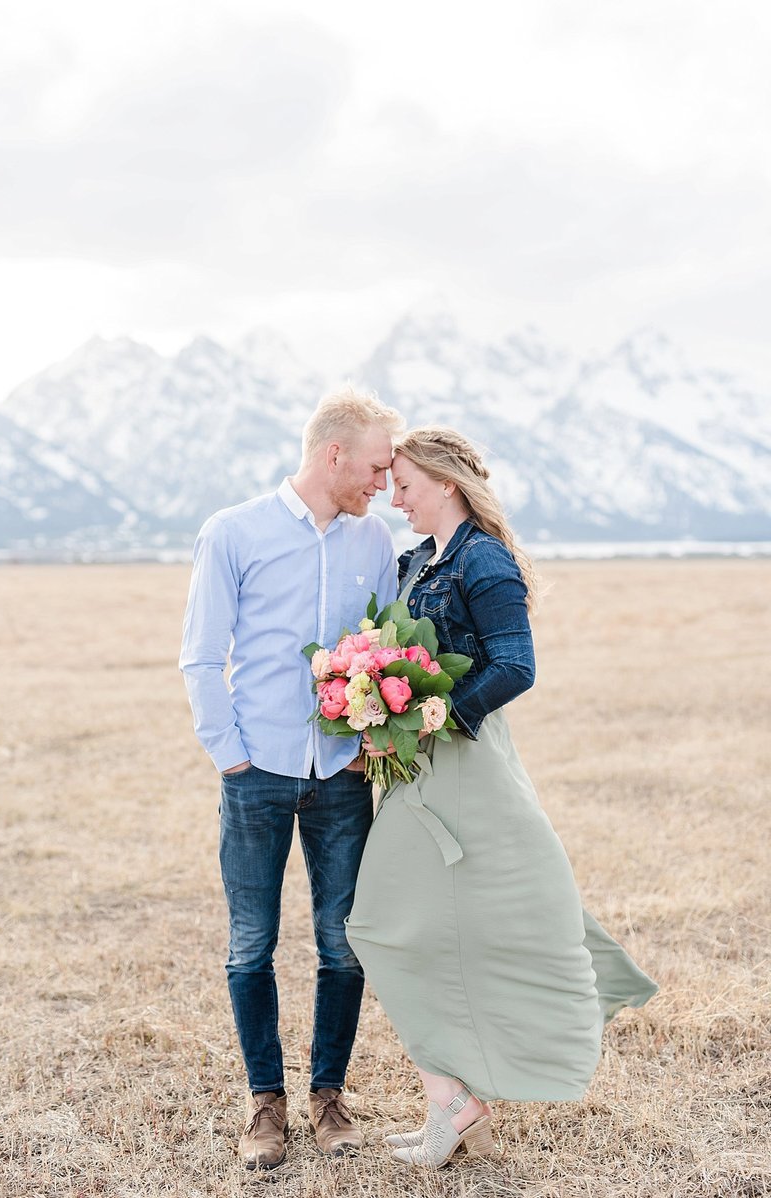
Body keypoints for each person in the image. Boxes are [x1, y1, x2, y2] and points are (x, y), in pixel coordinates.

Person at [345, 426, 658, 1168]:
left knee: (401, 922)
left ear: (446, 483)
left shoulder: (484, 560)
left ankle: (454, 1103)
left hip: (467, 765)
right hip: (419, 769)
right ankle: (449, 1104)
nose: (396, 497)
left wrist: (434, 715)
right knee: (399, 924)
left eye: (407, 485)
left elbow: (516, 666)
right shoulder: (418, 560)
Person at [179, 387, 405, 1170]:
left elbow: (380, 643)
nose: (382, 483)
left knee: (344, 944)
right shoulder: (232, 531)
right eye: (375, 467)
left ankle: (329, 1094)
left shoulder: (372, 540)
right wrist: (230, 754)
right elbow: (202, 654)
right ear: (332, 453)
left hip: (343, 772)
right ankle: (265, 1103)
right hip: (257, 774)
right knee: (252, 943)